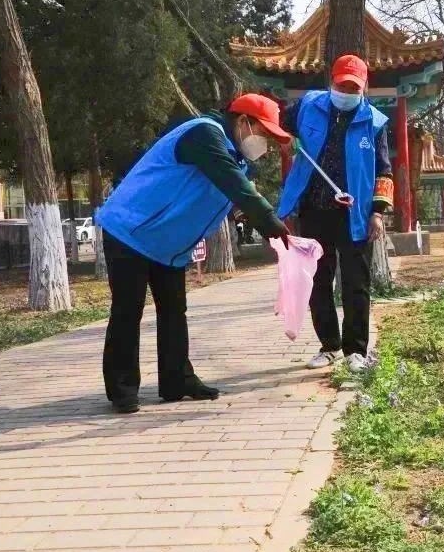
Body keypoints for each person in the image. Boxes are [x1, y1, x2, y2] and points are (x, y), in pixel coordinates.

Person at [95, 94, 293, 414]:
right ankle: (122, 388)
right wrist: (270, 222)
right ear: (243, 122)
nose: (265, 144)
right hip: (130, 230)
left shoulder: (234, 158)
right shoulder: (204, 134)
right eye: (263, 133)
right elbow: (233, 184)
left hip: (166, 244)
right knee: (128, 309)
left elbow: (225, 196)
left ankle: (177, 380)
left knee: (174, 310)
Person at [277, 54, 394, 373]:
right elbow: (276, 123)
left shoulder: (376, 123)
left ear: (364, 87)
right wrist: (284, 138)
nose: (347, 90)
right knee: (317, 280)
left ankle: (355, 350)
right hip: (314, 210)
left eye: (353, 86)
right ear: (331, 81)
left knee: (357, 283)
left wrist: (378, 212)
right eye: (342, 84)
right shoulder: (307, 106)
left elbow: (385, 171)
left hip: (356, 215)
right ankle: (329, 345)